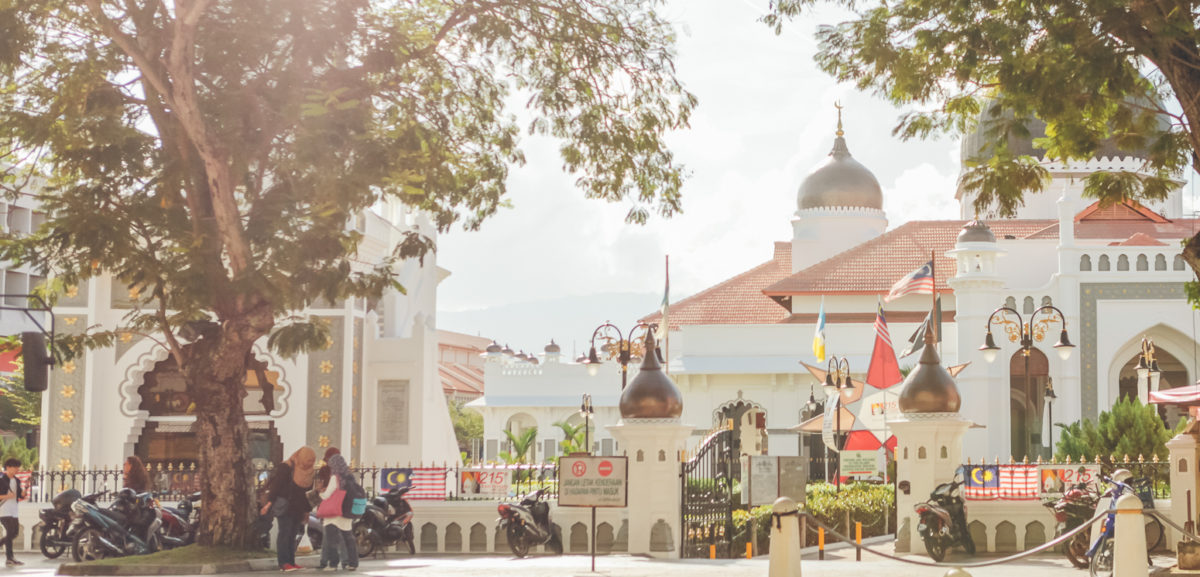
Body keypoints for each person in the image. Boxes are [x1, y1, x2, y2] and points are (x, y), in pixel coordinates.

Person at [263, 447, 315, 572]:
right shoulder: (286, 467)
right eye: (307, 460)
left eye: (311, 461)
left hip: (298, 507)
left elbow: (307, 493)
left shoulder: (309, 471)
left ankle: (291, 561)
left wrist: (307, 510)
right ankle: (283, 562)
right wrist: (268, 504)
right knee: (284, 534)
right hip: (286, 506)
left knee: (292, 535)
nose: (309, 463)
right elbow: (276, 486)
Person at [317, 448, 358, 571]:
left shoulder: (335, 478)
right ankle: (353, 563)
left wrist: (320, 492)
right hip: (347, 511)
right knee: (348, 538)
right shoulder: (350, 476)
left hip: (334, 513)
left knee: (331, 540)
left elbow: (327, 495)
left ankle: (333, 564)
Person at [0, 459, 23, 566]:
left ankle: (10, 558)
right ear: (8, 467)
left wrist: (22, 493)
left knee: (15, 533)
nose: (17, 469)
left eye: (18, 467)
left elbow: (18, 495)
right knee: (10, 532)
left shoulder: (17, 480)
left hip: (14, 509)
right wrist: (7, 496)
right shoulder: (1, 480)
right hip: (3, 509)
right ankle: (10, 558)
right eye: (15, 467)